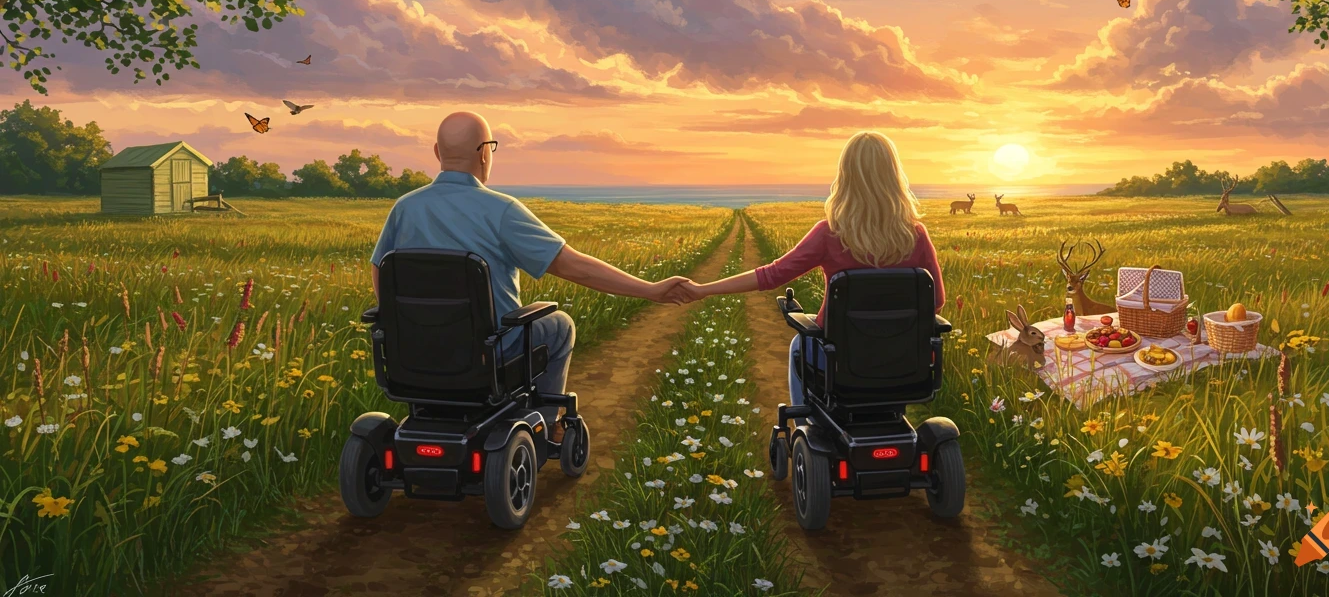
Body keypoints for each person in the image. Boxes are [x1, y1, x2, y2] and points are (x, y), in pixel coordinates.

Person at [371, 111, 689, 441]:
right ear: (484, 153)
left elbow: (380, 268)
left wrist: (404, 327)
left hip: (415, 355)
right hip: (487, 356)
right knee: (560, 325)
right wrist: (650, 290)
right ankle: (547, 425)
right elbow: (572, 266)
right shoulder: (502, 210)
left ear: (437, 153)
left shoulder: (404, 208)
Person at [667, 131, 944, 413]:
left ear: (846, 176)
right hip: (903, 361)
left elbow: (771, 275)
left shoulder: (829, 233)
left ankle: (806, 421)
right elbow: (936, 301)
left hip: (839, 361)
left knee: (801, 342)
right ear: (894, 176)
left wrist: (704, 289)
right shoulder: (916, 235)